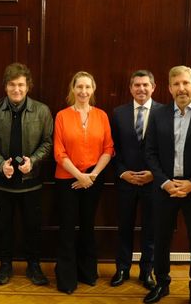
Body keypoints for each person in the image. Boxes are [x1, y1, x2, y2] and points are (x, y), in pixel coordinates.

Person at [144, 65, 191, 304]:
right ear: (169, 88)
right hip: (165, 189)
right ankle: (162, 283)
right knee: (161, 238)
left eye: (186, 83)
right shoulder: (157, 114)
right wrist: (165, 182)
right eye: (176, 84)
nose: (181, 88)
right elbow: (150, 152)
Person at [0, 62, 53, 286]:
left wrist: (35, 160)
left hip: (31, 183)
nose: (17, 89)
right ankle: (5, 265)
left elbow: (48, 142)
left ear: (28, 86)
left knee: (33, 227)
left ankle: (34, 266)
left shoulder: (42, 110)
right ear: (5, 86)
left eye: (21, 85)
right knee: (3, 227)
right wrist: (1, 164)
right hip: (2, 183)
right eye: (12, 85)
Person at [53, 71, 114, 294]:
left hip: (94, 179)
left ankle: (87, 273)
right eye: (79, 87)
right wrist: (79, 177)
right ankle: (67, 279)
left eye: (88, 87)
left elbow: (108, 149)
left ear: (93, 89)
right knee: (68, 228)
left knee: (87, 226)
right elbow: (59, 152)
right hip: (67, 180)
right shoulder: (61, 116)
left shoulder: (102, 116)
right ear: (73, 89)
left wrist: (92, 176)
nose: (83, 91)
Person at [110, 70, 160, 290]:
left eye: (145, 85)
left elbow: (167, 151)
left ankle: (146, 271)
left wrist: (154, 174)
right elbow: (113, 149)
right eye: (137, 85)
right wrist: (123, 173)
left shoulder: (163, 112)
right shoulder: (118, 113)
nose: (141, 89)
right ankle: (122, 268)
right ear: (130, 88)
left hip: (153, 182)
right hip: (125, 182)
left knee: (151, 229)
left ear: (153, 87)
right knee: (124, 227)